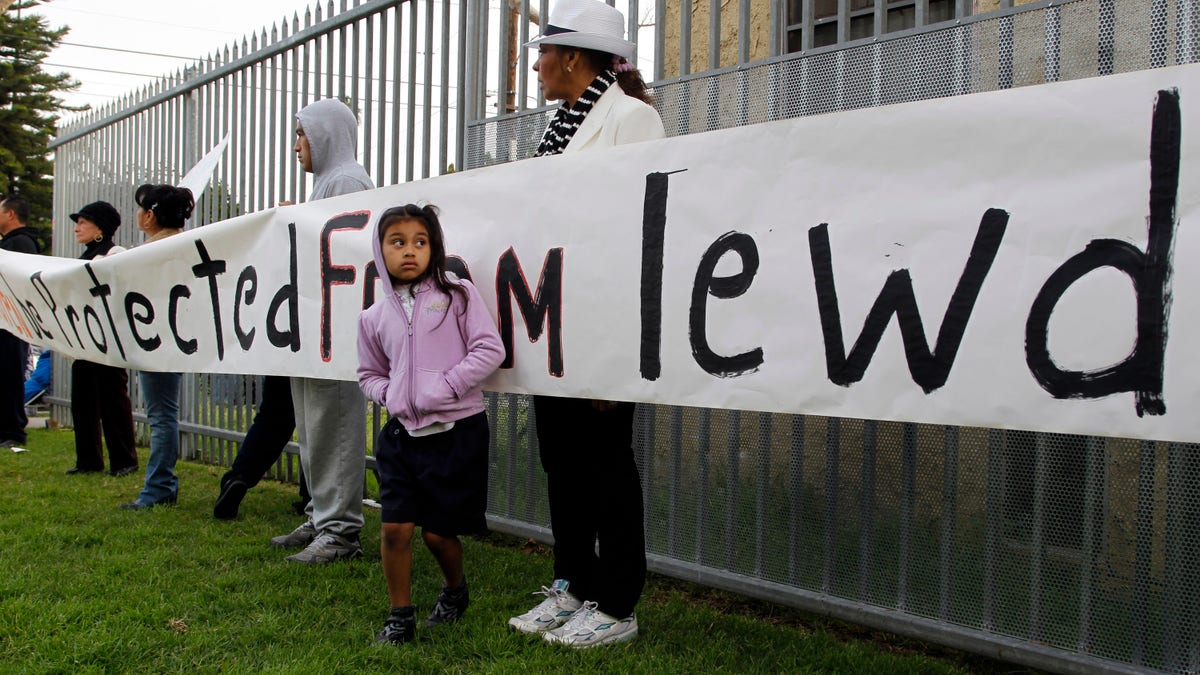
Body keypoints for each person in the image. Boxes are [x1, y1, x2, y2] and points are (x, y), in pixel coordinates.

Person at [507, 0, 665, 648]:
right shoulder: (563, 125)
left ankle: (617, 601)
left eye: (543, 53)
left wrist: (614, 349)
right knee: (561, 459)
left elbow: (639, 228)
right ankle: (572, 582)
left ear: (571, 56)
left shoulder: (633, 120)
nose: (538, 66)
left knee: (605, 461)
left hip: (601, 325)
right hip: (555, 323)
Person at [357, 204, 505, 644]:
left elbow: (488, 349)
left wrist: (445, 386)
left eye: (420, 242)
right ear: (380, 250)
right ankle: (400, 617)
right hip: (402, 438)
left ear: (434, 247)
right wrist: (392, 394)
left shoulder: (457, 295)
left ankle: (455, 590)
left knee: (439, 535)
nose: (409, 251)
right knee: (395, 529)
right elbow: (369, 374)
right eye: (397, 242)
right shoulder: (373, 317)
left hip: (458, 433)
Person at [270, 98, 374, 563]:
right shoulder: (330, 183)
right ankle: (321, 516)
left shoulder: (347, 180)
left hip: (337, 332)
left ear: (326, 133)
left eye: (302, 134)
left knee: (334, 425)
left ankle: (341, 531)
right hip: (317, 330)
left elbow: (345, 254)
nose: (296, 146)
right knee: (314, 425)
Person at [121, 184, 194, 510]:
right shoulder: (185, 245)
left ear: (150, 215)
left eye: (141, 209)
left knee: (162, 417)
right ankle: (162, 484)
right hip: (173, 342)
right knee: (164, 415)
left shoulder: (152, 252)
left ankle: (159, 486)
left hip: (157, 344)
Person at [66, 201, 138, 477]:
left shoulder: (114, 253)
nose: (77, 228)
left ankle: (124, 459)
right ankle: (88, 459)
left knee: (112, 399)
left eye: (83, 222)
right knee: (82, 400)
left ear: (100, 227)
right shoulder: (86, 256)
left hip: (107, 339)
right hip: (85, 338)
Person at [0, 195, 41, 448]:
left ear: (11, 214)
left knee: (9, 376)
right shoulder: (11, 243)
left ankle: (13, 431)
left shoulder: (21, 244)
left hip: (12, 324)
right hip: (5, 321)